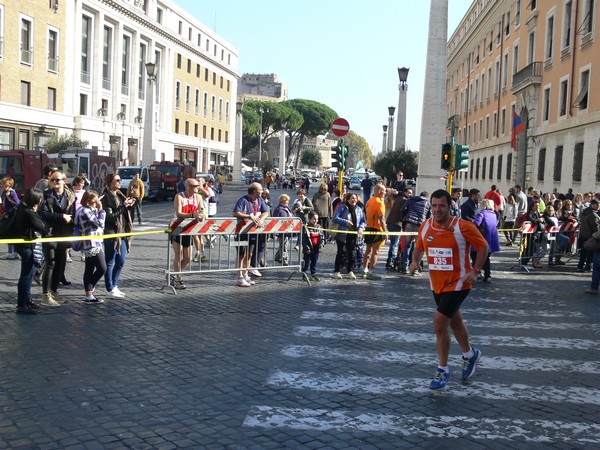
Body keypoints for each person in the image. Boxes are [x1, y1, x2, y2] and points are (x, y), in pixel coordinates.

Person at [409, 189, 489, 390]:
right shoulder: (426, 226)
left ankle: (442, 369)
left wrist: (476, 270)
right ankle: (470, 355)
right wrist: (414, 260)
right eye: (434, 206)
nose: (437, 210)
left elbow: (483, 247)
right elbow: (419, 247)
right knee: (455, 321)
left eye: (441, 206)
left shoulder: (463, 227)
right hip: (437, 284)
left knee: (439, 324)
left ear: (449, 206)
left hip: (460, 283)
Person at [39, 170, 76, 307]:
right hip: (50, 233)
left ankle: (54, 291)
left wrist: (71, 219)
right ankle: (45, 295)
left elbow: (72, 213)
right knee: (50, 264)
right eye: (53, 180)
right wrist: (61, 217)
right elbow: (43, 214)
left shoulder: (70, 195)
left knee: (60, 264)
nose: (55, 182)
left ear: (64, 181)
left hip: (64, 234)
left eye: (58, 180)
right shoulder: (47, 195)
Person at [13, 188, 48, 314]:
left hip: (24, 245)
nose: (41, 201)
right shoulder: (28, 212)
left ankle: (27, 299)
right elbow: (41, 226)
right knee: (26, 275)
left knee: (30, 273)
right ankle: (21, 304)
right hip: (27, 246)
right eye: (39, 198)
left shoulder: (21, 208)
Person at [102, 173, 135, 298]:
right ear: (110, 182)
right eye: (117, 180)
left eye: (120, 180)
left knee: (121, 261)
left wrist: (129, 206)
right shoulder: (105, 198)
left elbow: (124, 213)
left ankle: (114, 285)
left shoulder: (120, 195)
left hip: (122, 232)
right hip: (111, 232)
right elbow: (110, 217)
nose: (120, 182)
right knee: (110, 261)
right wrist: (124, 206)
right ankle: (109, 287)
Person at [171, 178, 206, 290]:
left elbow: (201, 210)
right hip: (178, 228)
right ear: (188, 187)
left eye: (198, 185)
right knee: (178, 254)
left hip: (189, 229)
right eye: (195, 185)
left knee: (188, 257)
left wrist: (202, 214)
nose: (198, 187)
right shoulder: (179, 196)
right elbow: (178, 213)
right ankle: (179, 279)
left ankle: (173, 275)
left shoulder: (198, 197)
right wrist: (192, 215)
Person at [232, 182, 269, 287]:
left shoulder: (260, 200)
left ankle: (246, 274)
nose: (263, 191)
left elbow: (266, 212)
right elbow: (235, 213)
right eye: (260, 190)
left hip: (252, 232)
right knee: (241, 255)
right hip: (241, 232)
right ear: (254, 191)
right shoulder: (243, 200)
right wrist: (249, 216)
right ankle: (239, 277)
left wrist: (261, 219)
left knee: (249, 254)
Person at [74, 190, 106, 303]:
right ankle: (90, 287)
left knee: (89, 268)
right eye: (95, 200)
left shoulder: (83, 210)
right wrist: (101, 210)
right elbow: (100, 223)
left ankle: (89, 295)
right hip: (92, 243)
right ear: (89, 200)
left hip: (92, 242)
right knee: (102, 268)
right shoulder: (86, 211)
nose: (97, 202)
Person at [331, 192, 365, 279]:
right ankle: (336, 271)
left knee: (351, 253)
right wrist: (345, 222)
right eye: (352, 198)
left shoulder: (358, 209)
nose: (354, 200)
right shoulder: (342, 207)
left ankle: (350, 271)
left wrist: (361, 227)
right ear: (348, 199)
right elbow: (335, 217)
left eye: (355, 198)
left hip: (353, 234)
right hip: (342, 233)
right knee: (340, 252)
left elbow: (362, 220)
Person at [400, 191, 431, 274]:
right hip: (420, 225)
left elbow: (403, 209)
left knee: (407, 246)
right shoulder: (427, 203)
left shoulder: (410, 199)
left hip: (409, 223)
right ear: (427, 197)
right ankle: (415, 269)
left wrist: (405, 219)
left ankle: (405, 267)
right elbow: (429, 216)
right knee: (419, 247)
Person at [362, 183, 388, 280]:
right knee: (375, 252)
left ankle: (364, 270)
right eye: (384, 191)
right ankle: (371, 271)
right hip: (376, 229)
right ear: (379, 191)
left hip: (368, 228)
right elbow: (381, 219)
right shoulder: (379, 203)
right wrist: (385, 232)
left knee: (368, 251)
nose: (385, 193)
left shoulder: (369, 201)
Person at [471, 199, 500, 282]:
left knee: (474, 256)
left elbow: (476, 224)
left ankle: (477, 273)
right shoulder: (494, 214)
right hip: (491, 240)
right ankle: (487, 275)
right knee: (486, 258)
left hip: (481, 239)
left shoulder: (481, 214)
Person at [385, 187, 412, 270]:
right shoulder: (405, 200)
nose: (411, 194)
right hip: (396, 224)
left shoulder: (399, 198)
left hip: (390, 222)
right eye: (409, 193)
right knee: (394, 244)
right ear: (405, 192)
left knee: (393, 243)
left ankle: (390, 261)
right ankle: (390, 262)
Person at [577, 198, 600, 272]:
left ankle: (580, 266)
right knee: (590, 252)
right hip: (591, 236)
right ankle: (588, 267)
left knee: (583, 252)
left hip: (584, 234)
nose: (598, 206)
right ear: (593, 205)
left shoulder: (585, 211)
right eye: (597, 205)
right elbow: (595, 227)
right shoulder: (593, 214)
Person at [0, 177, 21, 260]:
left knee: (9, 233)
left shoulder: (11, 193)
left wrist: (9, 198)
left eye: (3, 185)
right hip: (7, 213)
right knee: (10, 233)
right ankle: (13, 252)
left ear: (8, 185)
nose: (1, 186)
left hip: (11, 215)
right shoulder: (5, 192)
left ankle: (11, 252)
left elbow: (17, 203)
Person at [301, 211, 324, 281]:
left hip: (316, 248)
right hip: (308, 248)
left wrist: (321, 244)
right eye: (314, 219)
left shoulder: (319, 227)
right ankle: (304, 275)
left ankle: (313, 275)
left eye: (317, 219)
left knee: (314, 262)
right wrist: (306, 248)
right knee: (306, 262)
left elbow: (322, 237)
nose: (316, 221)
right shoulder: (306, 227)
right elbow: (303, 239)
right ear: (309, 219)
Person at [272, 193, 293, 265]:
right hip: (282, 231)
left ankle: (277, 257)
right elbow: (275, 220)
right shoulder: (278, 209)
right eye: (287, 200)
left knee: (284, 244)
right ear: (283, 201)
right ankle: (285, 259)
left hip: (288, 230)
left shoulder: (286, 208)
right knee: (284, 246)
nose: (288, 202)